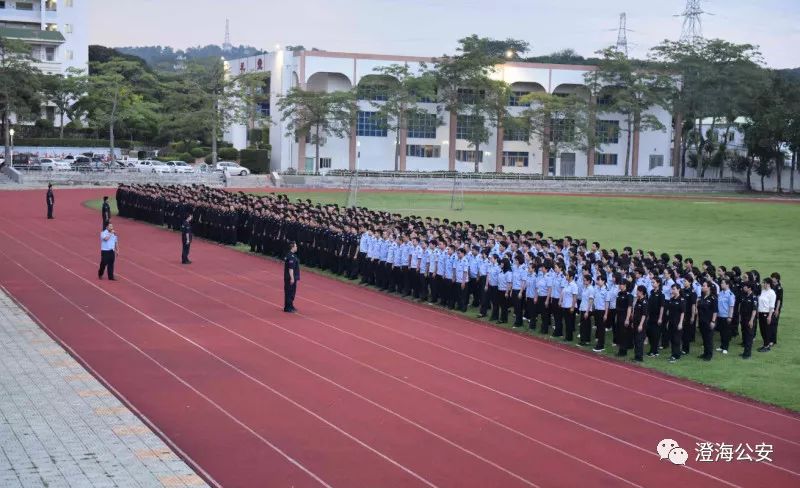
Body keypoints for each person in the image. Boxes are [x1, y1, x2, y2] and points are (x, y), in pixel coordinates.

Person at [697, 281, 718, 361]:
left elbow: (715, 311)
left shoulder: (713, 298)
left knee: (708, 338)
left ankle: (709, 355)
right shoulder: (702, 297)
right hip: (702, 321)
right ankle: (705, 353)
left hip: (709, 321)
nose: (702, 287)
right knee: (704, 338)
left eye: (704, 285)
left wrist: (713, 321)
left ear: (709, 287)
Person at [716, 279, 735, 354]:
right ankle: (722, 346)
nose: (721, 284)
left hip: (726, 316)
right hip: (720, 315)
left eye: (723, 283)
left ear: (727, 285)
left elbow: (731, 306)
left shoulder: (730, 294)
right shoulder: (720, 293)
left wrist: (730, 317)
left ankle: (726, 347)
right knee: (721, 332)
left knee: (726, 333)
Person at [739, 282, 758, 359]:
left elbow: (754, 309)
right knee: (745, 335)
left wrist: (751, 320)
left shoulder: (754, 297)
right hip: (743, 319)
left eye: (745, 287)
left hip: (749, 319)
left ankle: (748, 354)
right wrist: (740, 317)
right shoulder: (744, 295)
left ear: (749, 288)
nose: (743, 288)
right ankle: (745, 352)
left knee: (749, 336)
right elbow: (741, 307)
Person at [757, 278, 777, 352]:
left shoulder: (772, 293)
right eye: (763, 283)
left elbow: (772, 306)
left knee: (766, 330)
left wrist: (769, 316)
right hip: (761, 312)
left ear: (769, 284)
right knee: (762, 330)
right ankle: (764, 344)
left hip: (767, 313)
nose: (763, 284)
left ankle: (767, 346)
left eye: (765, 283)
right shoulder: (763, 291)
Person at [284, 241, 300, 313]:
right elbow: (291, 268)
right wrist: (292, 278)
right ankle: (288, 307)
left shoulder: (292, 255)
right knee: (289, 292)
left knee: (292, 292)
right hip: (290, 277)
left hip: (292, 277)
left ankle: (291, 305)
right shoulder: (291, 256)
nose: (297, 247)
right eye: (296, 246)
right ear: (292, 247)